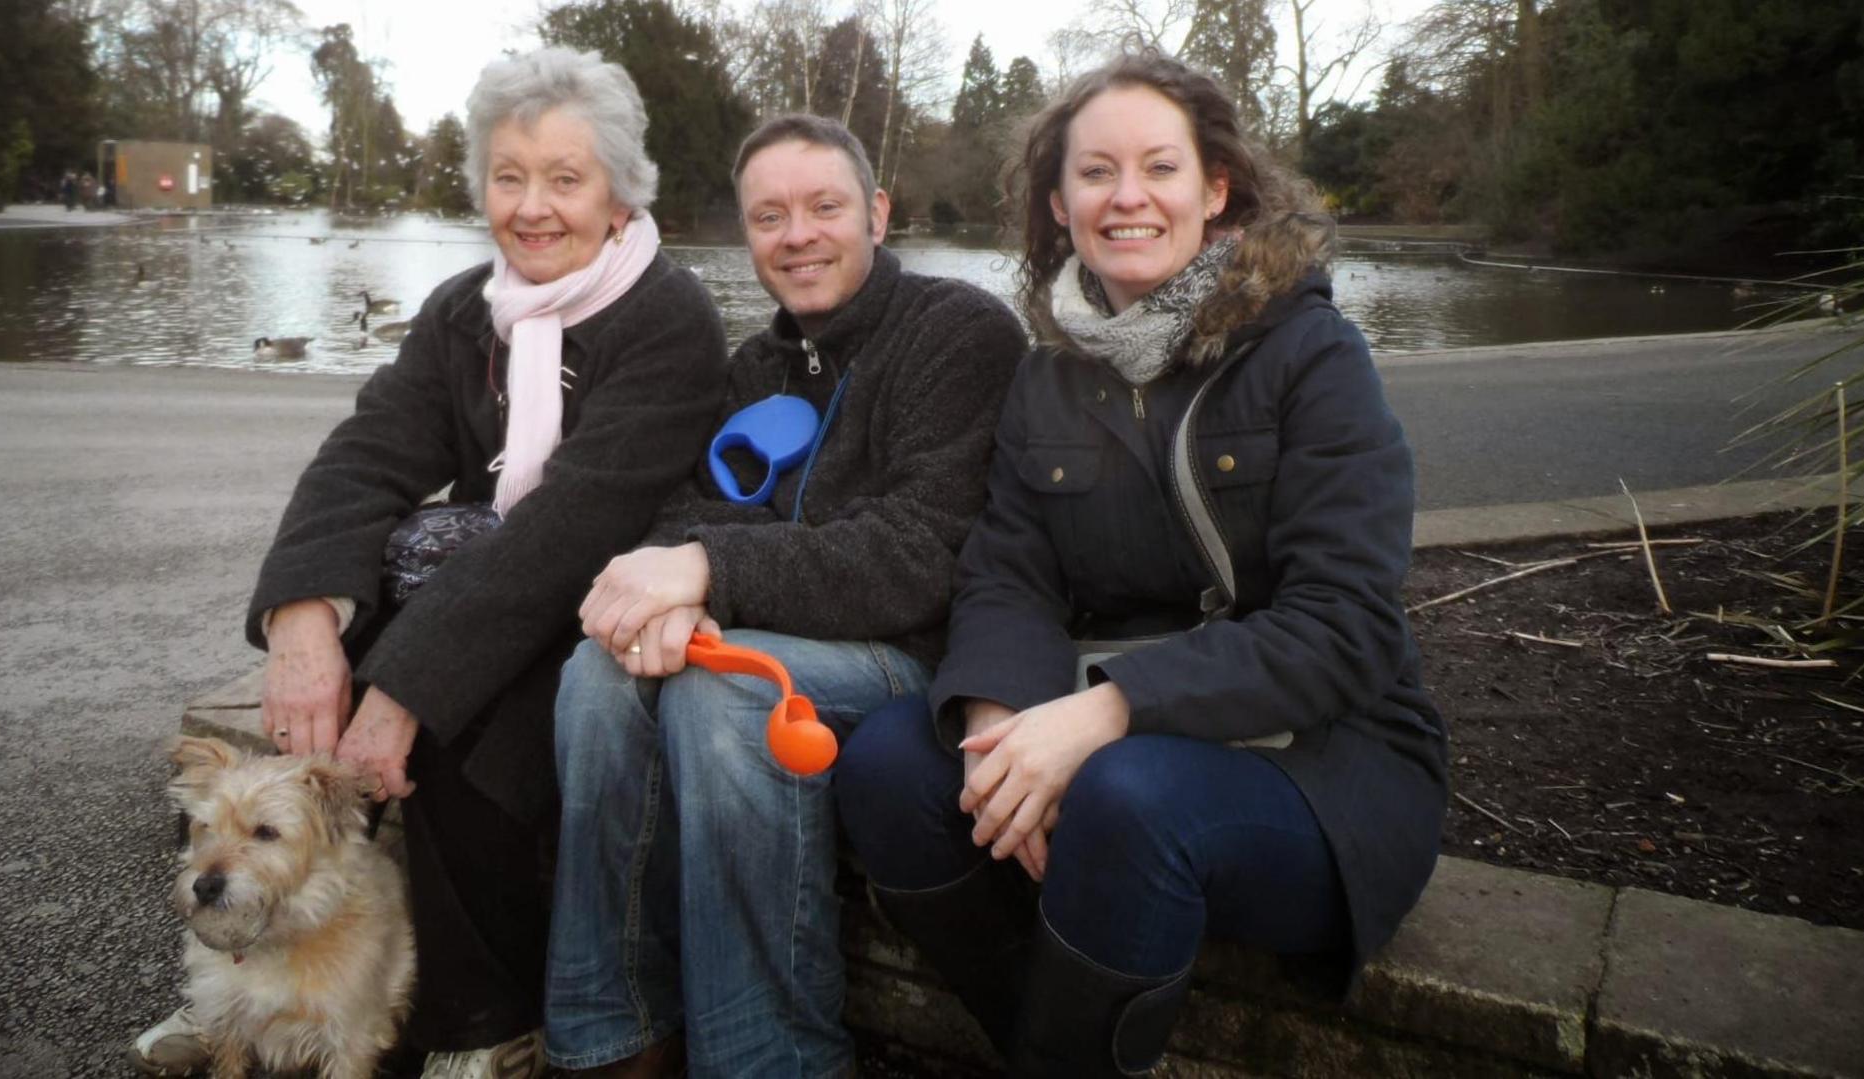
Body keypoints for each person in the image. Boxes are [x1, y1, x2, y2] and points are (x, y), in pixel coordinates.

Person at [833, 51, 1448, 1076]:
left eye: (1160, 168)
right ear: (1057, 202)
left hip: (1326, 762)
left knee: (1127, 796)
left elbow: (1348, 624)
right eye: (1096, 172)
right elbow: (1007, 574)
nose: (1129, 197)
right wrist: (999, 728)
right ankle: (1049, 1042)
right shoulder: (1046, 380)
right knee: (896, 763)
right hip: (1111, 727)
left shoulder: (1313, 353)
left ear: (1215, 192)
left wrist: (1102, 713)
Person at [129, 47, 728, 1079]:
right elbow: (367, 456)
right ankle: (259, 989)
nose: (531, 207)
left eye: (564, 178)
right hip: (494, 583)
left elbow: (574, 522)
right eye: (508, 176)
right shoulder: (465, 309)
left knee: (462, 712)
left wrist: (402, 686)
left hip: (607, 607)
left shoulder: (670, 318)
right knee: (334, 675)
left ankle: (477, 1020)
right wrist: (302, 619)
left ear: (621, 192)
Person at [545, 114, 1026, 1077]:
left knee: (732, 696)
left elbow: (918, 551)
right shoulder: (755, 367)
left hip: (911, 654)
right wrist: (683, 585)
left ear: (876, 214)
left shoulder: (958, 332)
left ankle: (769, 1056)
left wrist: (710, 569)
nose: (797, 234)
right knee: (602, 672)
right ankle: (609, 1034)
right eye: (770, 216)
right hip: (766, 629)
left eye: (823, 207)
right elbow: (687, 506)